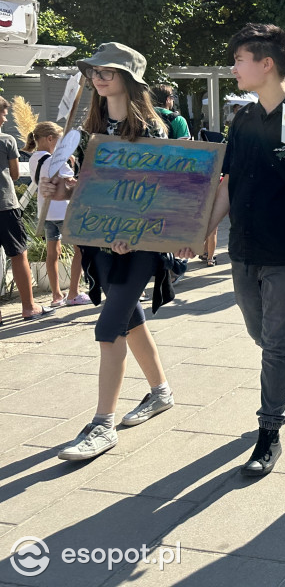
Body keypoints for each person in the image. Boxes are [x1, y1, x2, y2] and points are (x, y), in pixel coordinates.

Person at [40, 43, 185, 461]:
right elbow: (88, 188)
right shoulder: (87, 133)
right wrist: (60, 189)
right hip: (100, 243)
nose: (99, 77)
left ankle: (103, 424)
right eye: (96, 71)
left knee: (108, 328)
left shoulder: (155, 131)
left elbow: (160, 193)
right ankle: (161, 392)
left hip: (140, 248)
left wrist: (133, 232)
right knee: (130, 318)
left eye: (109, 71)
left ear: (129, 79)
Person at [203, 23, 285, 476]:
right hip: (243, 248)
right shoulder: (241, 118)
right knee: (262, 335)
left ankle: (269, 433)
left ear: (267, 63)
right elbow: (228, 183)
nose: (233, 67)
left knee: (275, 347)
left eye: (240, 59)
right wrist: (204, 229)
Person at [0, 98, 53, 322]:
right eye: (3, 114)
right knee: (18, 254)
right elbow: (14, 174)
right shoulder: (6, 140)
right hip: (5, 206)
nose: (4, 119)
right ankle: (29, 307)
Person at [25, 121, 85, 308]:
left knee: (53, 253)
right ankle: (74, 293)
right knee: (80, 251)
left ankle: (56, 295)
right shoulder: (54, 160)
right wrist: (73, 164)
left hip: (47, 212)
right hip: (63, 210)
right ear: (50, 139)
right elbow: (72, 182)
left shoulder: (34, 158)